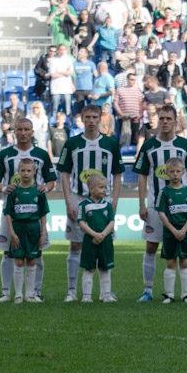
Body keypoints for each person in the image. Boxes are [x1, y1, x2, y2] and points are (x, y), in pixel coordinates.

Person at [57, 103, 125, 302]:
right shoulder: (72, 143)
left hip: (104, 202)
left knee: (105, 245)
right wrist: (68, 201)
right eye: (88, 117)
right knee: (76, 245)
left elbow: (118, 174)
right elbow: (65, 173)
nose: (92, 121)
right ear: (82, 119)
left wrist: (114, 201)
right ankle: (72, 291)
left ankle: (105, 292)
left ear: (100, 119)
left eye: (95, 117)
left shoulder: (110, 143)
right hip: (79, 198)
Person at [133, 104, 187, 302]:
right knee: (151, 247)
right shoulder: (149, 146)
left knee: (185, 249)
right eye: (162, 119)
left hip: (182, 207)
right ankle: (148, 291)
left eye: (169, 119)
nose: (165, 122)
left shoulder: (185, 145)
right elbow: (142, 176)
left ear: (176, 122)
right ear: (157, 121)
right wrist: (142, 204)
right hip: (155, 205)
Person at [0, 118, 57, 303]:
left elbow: (51, 180)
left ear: (32, 131)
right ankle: (6, 292)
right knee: (7, 251)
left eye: (27, 129)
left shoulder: (41, 154)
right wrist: (3, 188)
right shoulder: (5, 154)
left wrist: (46, 188)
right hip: (11, 212)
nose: (23, 133)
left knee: (37, 252)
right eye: (19, 129)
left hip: (34, 213)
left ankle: (35, 291)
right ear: (15, 132)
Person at [0, 160, 50, 304]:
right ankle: (18, 295)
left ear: (34, 172)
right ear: (18, 172)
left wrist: (43, 233)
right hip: (18, 228)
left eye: (29, 171)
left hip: (33, 229)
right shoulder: (13, 192)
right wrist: (12, 233)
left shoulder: (39, 192)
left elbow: (43, 214)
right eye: (23, 170)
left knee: (32, 260)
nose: (26, 173)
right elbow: (8, 213)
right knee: (19, 260)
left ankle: (30, 294)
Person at [155, 157, 187, 303]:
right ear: (167, 173)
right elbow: (161, 213)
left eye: (178, 171)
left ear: (183, 173)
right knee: (170, 263)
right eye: (172, 171)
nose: (175, 174)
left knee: (185, 262)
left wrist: (184, 229)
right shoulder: (164, 192)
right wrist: (174, 230)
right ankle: (170, 295)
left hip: (184, 233)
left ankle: (186, 294)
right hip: (170, 233)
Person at [76, 173, 117, 304]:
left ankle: (106, 295)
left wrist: (103, 235)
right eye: (101, 187)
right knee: (89, 268)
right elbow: (81, 222)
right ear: (91, 188)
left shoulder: (108, 205)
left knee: (105, 267)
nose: (104, 190)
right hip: (90, 241)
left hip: (105, 240)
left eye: (105, 187)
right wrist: (94, 234)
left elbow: (111, 222)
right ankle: (86, 296)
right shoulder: (83, 205)